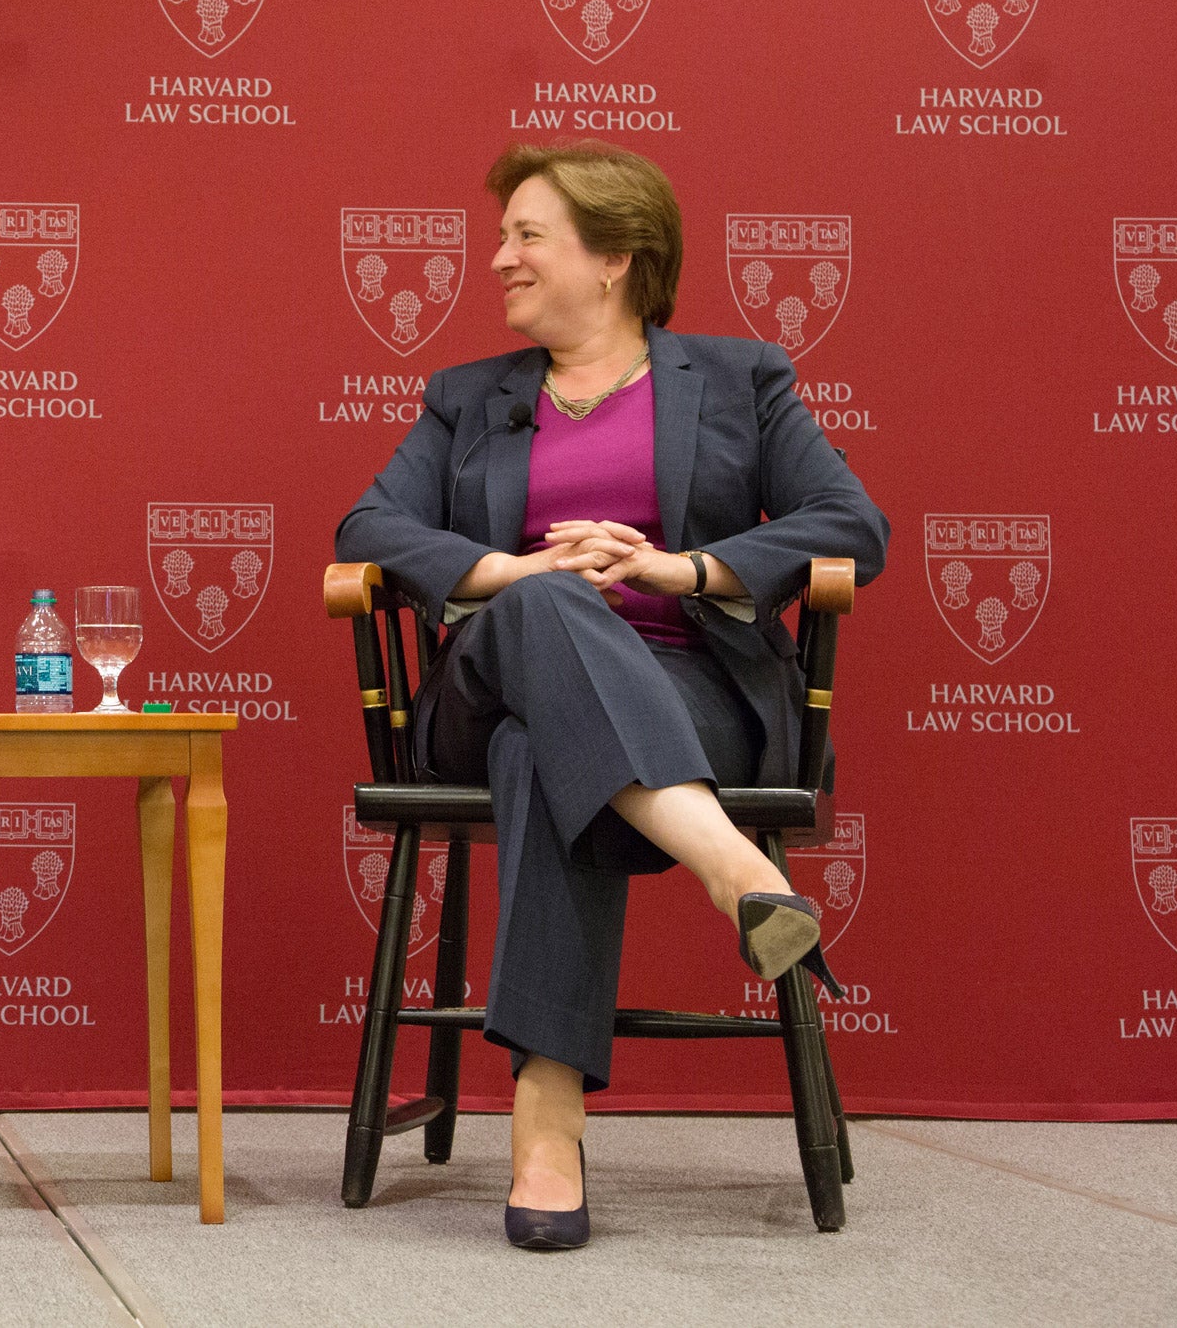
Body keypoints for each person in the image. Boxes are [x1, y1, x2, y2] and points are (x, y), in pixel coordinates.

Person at [334, 142, 888, 1251]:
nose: (499, 259)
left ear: (617, 258)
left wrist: (676, 566)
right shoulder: (468, 399)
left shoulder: (739, 379)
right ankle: (736, 870)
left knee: (546, 748)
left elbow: (852, 526)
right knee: (541, 618)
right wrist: (519, 571)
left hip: (693, 682)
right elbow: (368, 531)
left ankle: (547, 1117)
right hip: (487, 683)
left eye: (528, 235)